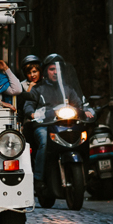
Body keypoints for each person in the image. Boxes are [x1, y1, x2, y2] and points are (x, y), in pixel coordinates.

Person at [21, 54, 87, 187]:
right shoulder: (38, 89)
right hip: (44, 125)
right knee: (44, 140)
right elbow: (28, 105)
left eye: (59, 69)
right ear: (46, 71)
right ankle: (38, 178)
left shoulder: (68, 89)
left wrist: (86, 110)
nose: (56, 72)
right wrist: (32, 114)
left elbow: (79, 103)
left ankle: (88, 172)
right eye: (52, 69)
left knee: (83, 135)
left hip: (64, 124)